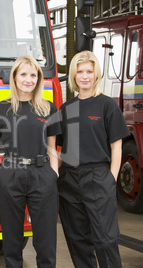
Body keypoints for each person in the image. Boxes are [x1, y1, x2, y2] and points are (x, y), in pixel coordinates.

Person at [0, 55, 61, 268]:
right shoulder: (0, 109)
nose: (28, 79)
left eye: (33, 75)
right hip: (10, 175)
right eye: (24, 74)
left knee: (45, 242)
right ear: (15, 77)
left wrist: (53, 173)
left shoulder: (48, 109)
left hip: (42, 176)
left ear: (38, 79)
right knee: (12, 242)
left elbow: (52, 147)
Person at [57, 50, 130, 268]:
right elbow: (61, 148)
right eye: (80, 71)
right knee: (77, 240)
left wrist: (111, 178)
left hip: (98, 177)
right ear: (74, 75)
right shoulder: (66, 109)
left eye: (89, 71)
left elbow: (116, 146)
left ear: (96, 74)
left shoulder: (107, 105)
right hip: (69, 180)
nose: (85, 76)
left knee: (105, 240)